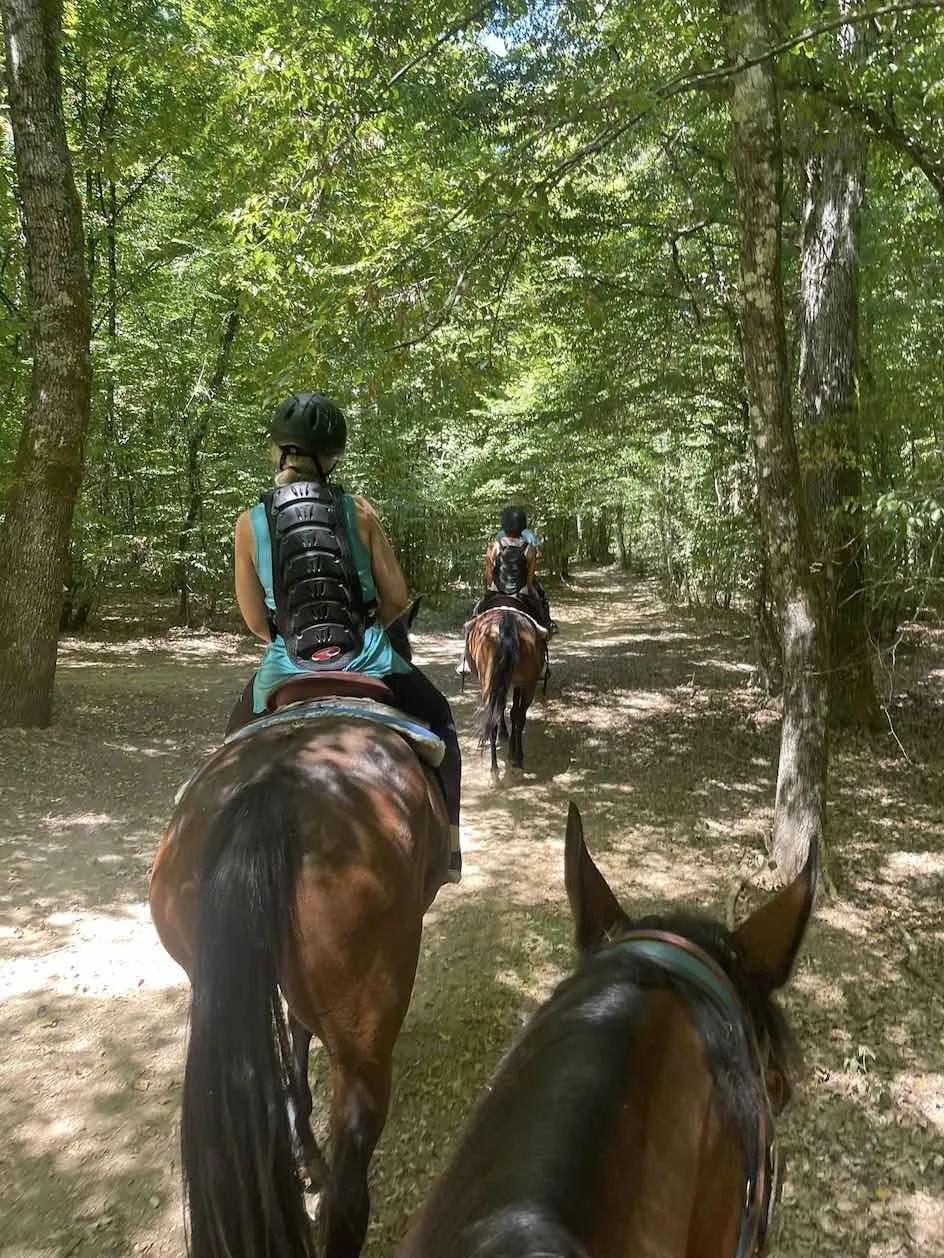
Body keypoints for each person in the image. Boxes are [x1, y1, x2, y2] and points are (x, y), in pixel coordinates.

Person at [228, 391, 461, 881]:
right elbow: (397, 599)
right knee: (440, 718)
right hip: (367, 660)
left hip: (287, 666)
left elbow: (253, 621)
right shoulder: (359, 512)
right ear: (330, 458)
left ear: (279, 452)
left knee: (230, 748)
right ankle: (451, 847)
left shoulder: (248, 524)